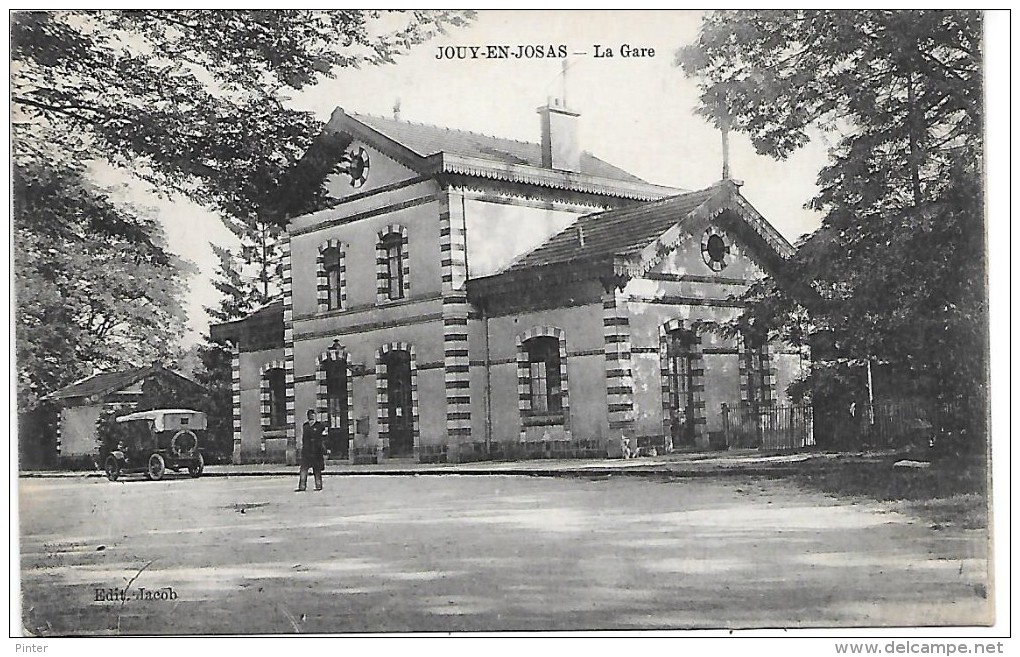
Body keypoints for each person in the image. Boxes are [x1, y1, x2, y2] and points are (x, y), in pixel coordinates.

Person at [297, 409, 326, 492]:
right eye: (310, 416)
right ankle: (302, 486)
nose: (312, 417)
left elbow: (323, 438)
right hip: (307, 451)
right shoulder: (305, 426)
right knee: (304, 469)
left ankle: (318, 485)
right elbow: (304, 439)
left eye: (313, 416)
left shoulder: (319, 426)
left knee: (317, 469)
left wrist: (323, 448)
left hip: (316, 450)